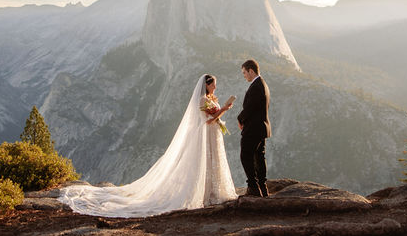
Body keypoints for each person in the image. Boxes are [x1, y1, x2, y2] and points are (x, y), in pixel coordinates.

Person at [57, 74, 237, 217]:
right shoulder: (202, 101)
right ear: (206, 84)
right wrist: (223, 110)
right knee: (203, 161)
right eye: (213, 84)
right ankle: (204, 193)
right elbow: (208, 120)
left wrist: (220, 111)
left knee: (213, 161)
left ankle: (211, 191)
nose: (215, 87)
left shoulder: (210, 98)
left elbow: (213, 119)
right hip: (205, 134)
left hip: (212, 135)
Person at [237, 58, 271, 197]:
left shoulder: (257, 86)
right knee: (259, 157)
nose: (244, 75)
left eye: (244, 72)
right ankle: (262, 187)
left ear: (251, 71)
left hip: (253, 128)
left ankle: (253, 187)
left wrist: (240, 118)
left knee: (246, 155)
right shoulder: (263, 84)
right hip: (262, 127)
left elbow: (250, 107)